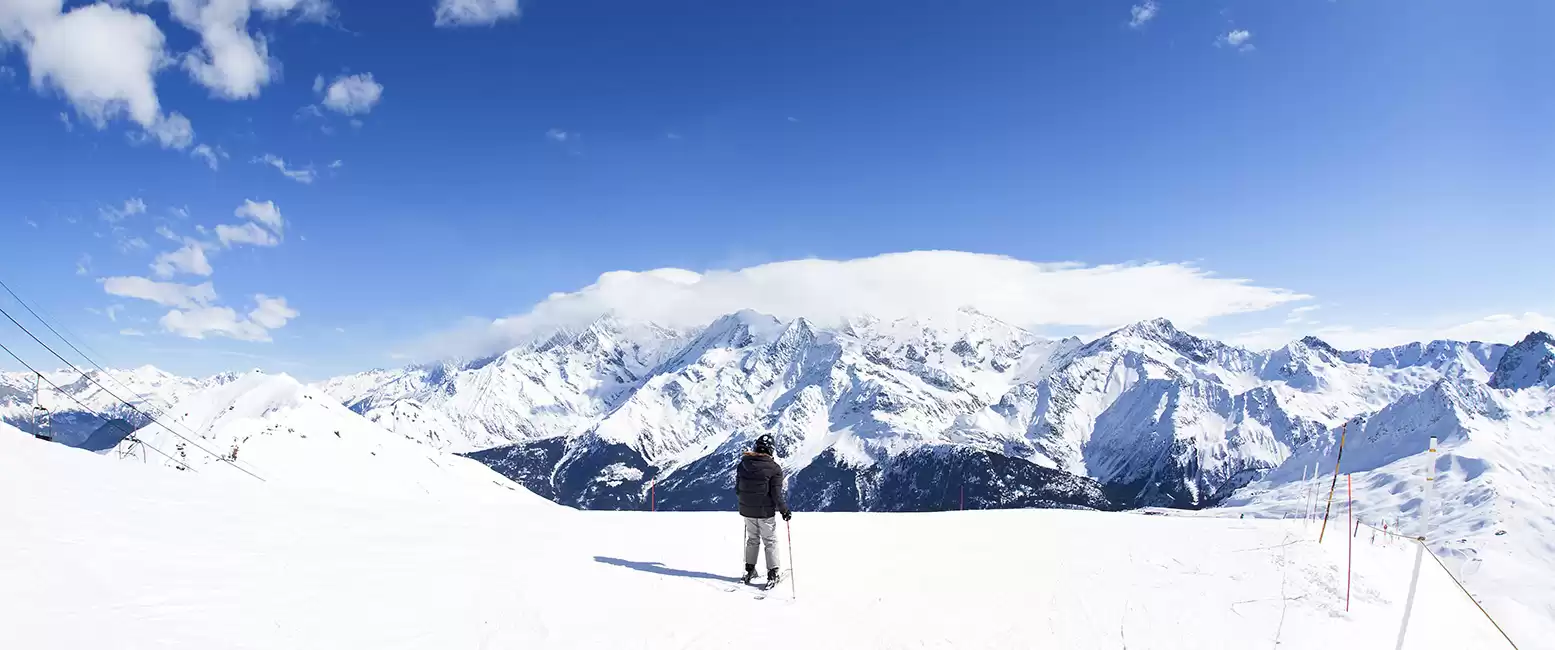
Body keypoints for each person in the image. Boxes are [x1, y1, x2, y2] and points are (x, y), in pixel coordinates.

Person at [735, 434, 791, 585]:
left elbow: (738, 489)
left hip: (747, 511)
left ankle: (749, 570)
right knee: (770, 541)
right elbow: (776, 494)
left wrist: (745, 504)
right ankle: (772, 574)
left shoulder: (743, 464)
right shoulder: (774, 469)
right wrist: (784, 510)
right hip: (765, 512)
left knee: (752, 540)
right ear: (771, 450)